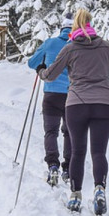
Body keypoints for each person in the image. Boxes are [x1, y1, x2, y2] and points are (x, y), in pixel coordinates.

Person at [37, 7, 109, 216]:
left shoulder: (70, 49)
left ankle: (75, 195)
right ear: (90, 24)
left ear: (75, 27)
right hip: (105, 105)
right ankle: (99, 189)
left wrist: (41, 72)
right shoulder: (105, 47)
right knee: (99, 152)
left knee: (78, 152)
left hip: (77, 105)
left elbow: (51, 74)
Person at [27, 12, 73, 186]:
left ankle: (53, 165)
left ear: (61, 28)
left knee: (51, 132)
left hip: (51, 94)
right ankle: (68, 168)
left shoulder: (50, 43)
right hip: (72, 96)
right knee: (69, 132)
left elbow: (32, 63)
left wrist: (42, 66)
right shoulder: (77, 45)